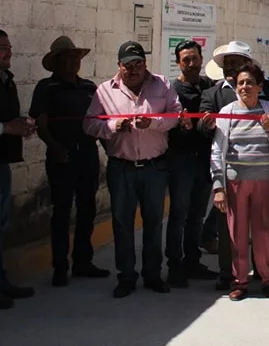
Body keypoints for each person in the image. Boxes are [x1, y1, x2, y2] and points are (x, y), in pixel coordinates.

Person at [83, 41, 183, 299]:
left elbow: (177, 115)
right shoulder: (105, 90)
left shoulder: (162, 84)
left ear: (145, 63)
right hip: (122, 168)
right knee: (122, 223)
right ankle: (126, 276)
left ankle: (152, 274)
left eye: (138, 63)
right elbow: (89, 124)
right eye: (128, 64)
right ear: (119, 65)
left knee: (153, 222)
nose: (134, 69)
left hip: (154, 167)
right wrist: (114, 127)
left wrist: (154, 122)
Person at [200, 41, 269, 291]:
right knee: (236, 233)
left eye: (250, 83)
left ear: (260, 86)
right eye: (240, 83)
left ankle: (267, 278)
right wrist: (219, 186)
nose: (244, 87)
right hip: (235, 182)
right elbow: (217, 150)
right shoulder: (227, 112)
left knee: (263, 232)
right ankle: (239, 280)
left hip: (264, 181)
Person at [29, 36, 109, 287]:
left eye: (76, 58)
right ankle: (60, 267)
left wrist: (110, 150)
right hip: (61, 156)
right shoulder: (47, 87)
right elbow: (41, 122)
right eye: (68, 58)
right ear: (56, 62)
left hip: (87, 154)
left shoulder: (88, 87)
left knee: (88, 209)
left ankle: (83, 261)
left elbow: (100, 122)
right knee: (62, 211)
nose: (74, 62)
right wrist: (54, 147)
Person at [164, 40, 218, 288]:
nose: (191, 64)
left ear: (201, 58)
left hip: (204, 160)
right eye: (186, 59)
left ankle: (193, 262)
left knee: (196, 215)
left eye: (195, 58)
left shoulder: (209, 87)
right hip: (181, 161)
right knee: (178, 215)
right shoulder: (171, 91)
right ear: (178, 62)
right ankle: (175, 265)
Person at [0, 29, 36, 309]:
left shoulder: (6, 79)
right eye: (2, 47)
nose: (9, 51)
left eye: (9, 46)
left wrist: (20, 125)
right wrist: (6, 128)